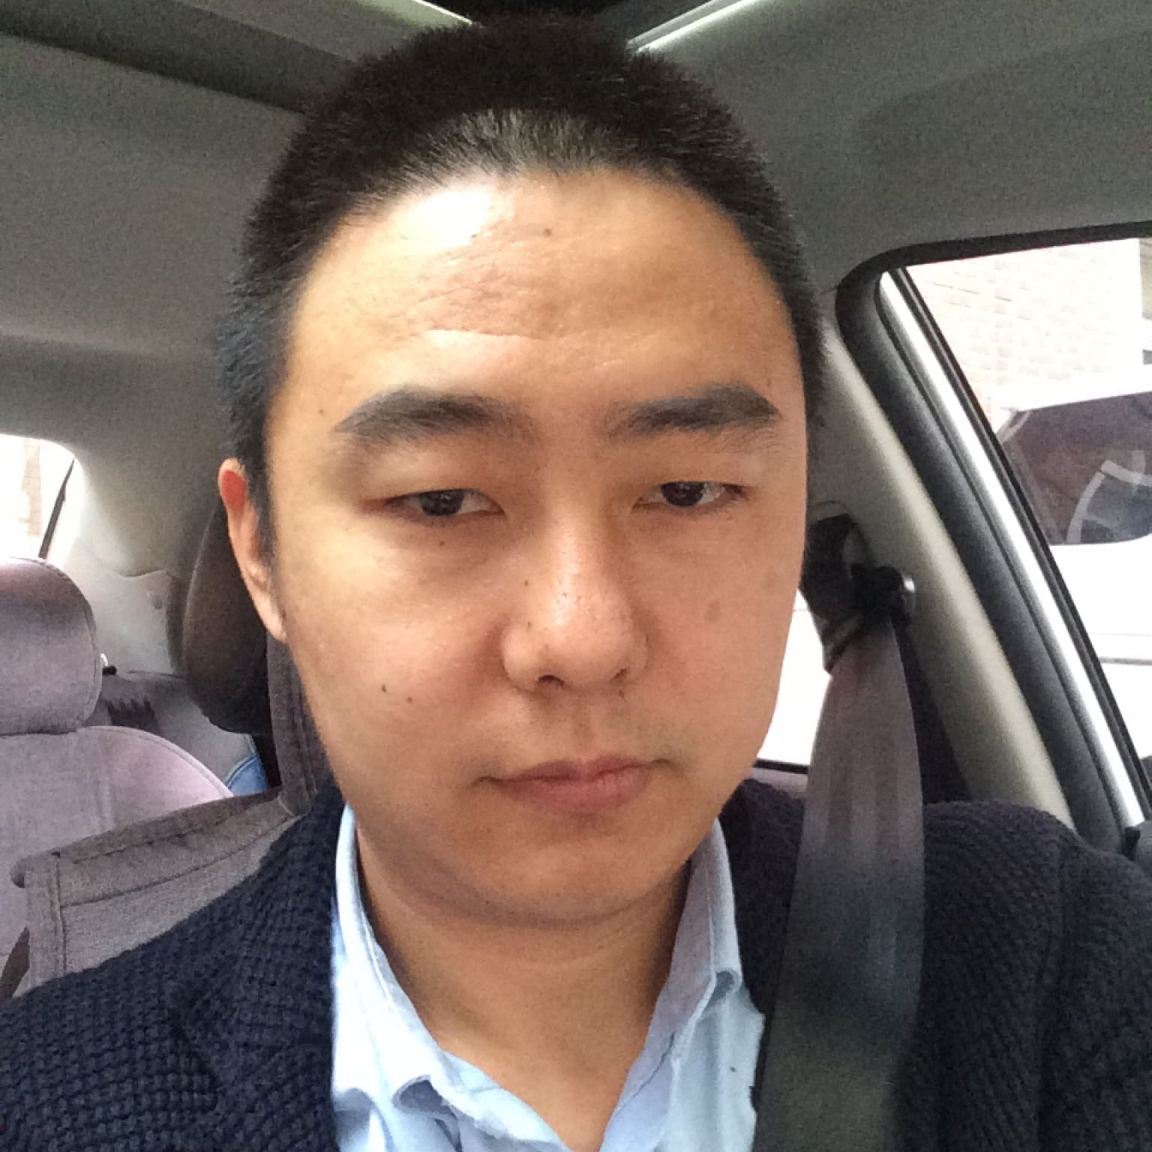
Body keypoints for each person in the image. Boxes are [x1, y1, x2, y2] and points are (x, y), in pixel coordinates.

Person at [2, 16, 1151, 1152]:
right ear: (264, 556)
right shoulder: (45, 1104)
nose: (582, 637)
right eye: (440, 501)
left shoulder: (1051, 962)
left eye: (687, 490)